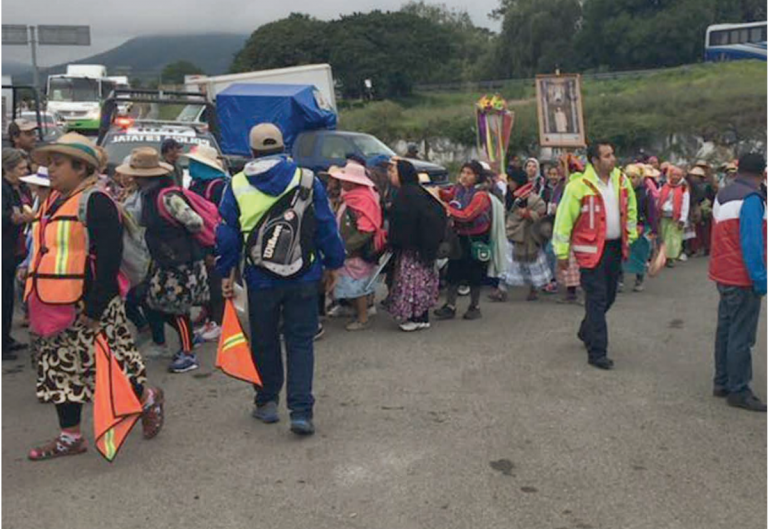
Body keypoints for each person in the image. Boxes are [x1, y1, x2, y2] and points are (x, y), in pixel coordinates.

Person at [25, 134, 163, 460]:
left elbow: (109, 255)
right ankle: (70, 436)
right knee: (60, 371)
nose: (51, 171)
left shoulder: (96, 201)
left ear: (81, 167)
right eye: (50, 164)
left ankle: (146, 398)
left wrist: (96, 305)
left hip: (89, 305)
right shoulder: (52, 200)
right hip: (53, 302)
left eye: (58, 164)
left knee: (109, 365)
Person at [216, 123, 344, 435]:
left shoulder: (236, 185)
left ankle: (267, 402)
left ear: (252, 151)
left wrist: (225, 273)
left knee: (264, 340)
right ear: (284, 146)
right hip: (303, 274)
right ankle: (301, 412)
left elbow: (227, 236)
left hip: (259, 278)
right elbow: (326, 226)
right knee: (301, 342)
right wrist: (334, 264)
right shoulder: (307, 179)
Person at [124, 147, 210, 373]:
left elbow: (195, 222)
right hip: (168, 261)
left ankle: (188, 353)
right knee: (156, 304)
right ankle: (189, 339)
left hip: (180, 264)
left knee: (177, 310)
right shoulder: (153, 194)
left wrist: (173, 237)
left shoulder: (167, 197)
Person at [553, 141, 637, 370]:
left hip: (614, 247)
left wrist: (631, 235)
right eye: (607, 156)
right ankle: (597, 351)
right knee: (597, 298)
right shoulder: (578, 185)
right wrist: (561, 252)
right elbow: (563, 221)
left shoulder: (621, 180)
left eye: (613, 154)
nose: (613, 159)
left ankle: (586, 329)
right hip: (589, 252)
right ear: (595, 161)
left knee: (609, 295)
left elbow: (630, 208)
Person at [709, 153, 767, 412]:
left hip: (723, 272)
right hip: (742, 276)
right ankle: (739, 389)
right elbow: (752, 243)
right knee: (742, 335)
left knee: (726, 329)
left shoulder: (723, 194)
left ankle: (722, 381)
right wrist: (761, 279)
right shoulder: (752, 199)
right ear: (762, 173)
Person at [386, 158, 446, 331]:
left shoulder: (407, 194)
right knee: (421, 282)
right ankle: (421, 316)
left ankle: (415, 317)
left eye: (394, 172)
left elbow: (405, 222)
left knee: (413, 282)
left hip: (413, 249)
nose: (391, 175)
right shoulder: (416, 191)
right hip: (422, 248)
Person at [329, 163, 386, 331]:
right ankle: (359, 312)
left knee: (357, 285)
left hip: (357, 251)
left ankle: (363, 318)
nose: (342, 183)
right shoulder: (352, 197)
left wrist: (346, 247)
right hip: (351, 250)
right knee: (353, 283)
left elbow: (366, 229)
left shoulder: (363, 200)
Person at [434, 160, 492, 321]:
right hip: (459, 236)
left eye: (469, 173)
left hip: (476, 238)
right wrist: (436, 192)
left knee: (474, 272)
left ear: (477, 176)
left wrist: (446, 208)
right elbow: (448, 195)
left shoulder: (481, 195)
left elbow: (467, 215)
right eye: (463, 172)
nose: (464, 176)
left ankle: (475, 306)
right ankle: (450, 306)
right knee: (453, 270)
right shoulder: (459, 189)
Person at [185, 144, 229, 341]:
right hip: (197, 240)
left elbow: (223, 217)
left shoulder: (218, 186)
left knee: (216, 282)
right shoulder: (195, 183)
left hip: (213, 241)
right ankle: (209, 315)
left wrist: (216, 247)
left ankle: (219, 321)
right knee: (205, 281)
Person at [492, 167, 552, 301]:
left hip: (527, 236)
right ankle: (501, 290)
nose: (510, 184)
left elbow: (542, 214)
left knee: (531, 264)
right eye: (509, 181)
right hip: (510, 234)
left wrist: (527, 214)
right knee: (506, 263)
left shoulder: (533, 198)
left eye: (512, 181)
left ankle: (534, 289)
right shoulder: (508, 196)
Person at [2, 148, 34, 359]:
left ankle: (5, 337)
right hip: (5, 245)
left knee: (8, 297)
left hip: (17, 247)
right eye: (21, 168)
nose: (25, 171)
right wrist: (15, 218)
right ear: (7, 169)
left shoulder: (21, 187)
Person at [622, 164, 657, 292]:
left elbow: (651, 212)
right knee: (622, 253)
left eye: (634, 177)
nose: (631, 180)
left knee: (640, 253)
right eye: (628, 177)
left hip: (641, 226)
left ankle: (639, 279)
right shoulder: (621, 191)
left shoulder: (646, 192)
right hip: (624, 225)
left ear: (640, 178)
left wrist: (654, 229)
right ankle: (620, 279)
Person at [658, 165, 690, 266]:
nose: (675, 177)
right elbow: (658, 198)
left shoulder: (684, 188)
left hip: (676, 217)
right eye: (674, 174)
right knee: (663, 236)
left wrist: (682, 219)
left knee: (672, 239)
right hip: (663, 215)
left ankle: (670, 258)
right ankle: (663, 256)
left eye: (678, 175)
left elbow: (685, 204)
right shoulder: (665, 186)